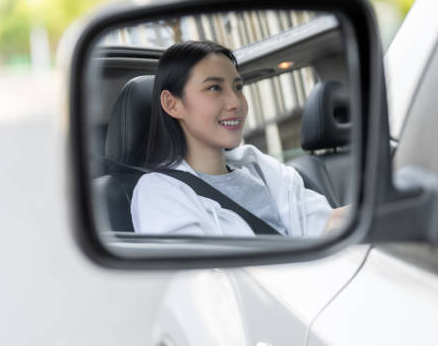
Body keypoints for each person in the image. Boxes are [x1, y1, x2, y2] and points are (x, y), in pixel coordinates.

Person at [131, 40, 346, 236]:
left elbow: (324, 224)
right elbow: (193, 273)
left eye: (238, 87)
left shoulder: (265, 170)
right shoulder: (159, 192)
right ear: (172, 104)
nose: (236, 102)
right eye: (214, 88)